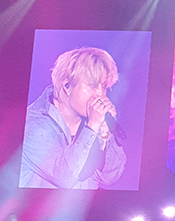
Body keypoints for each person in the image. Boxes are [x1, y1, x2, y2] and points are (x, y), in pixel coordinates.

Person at [20, 47, 126, 190]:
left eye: (103, 86)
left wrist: (105, 134)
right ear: (67, 86)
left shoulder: (91, 119)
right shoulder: (33, 123)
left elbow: (110, 176)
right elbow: (64, 177)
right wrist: (92, 126)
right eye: (92, 85)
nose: (100, 94)